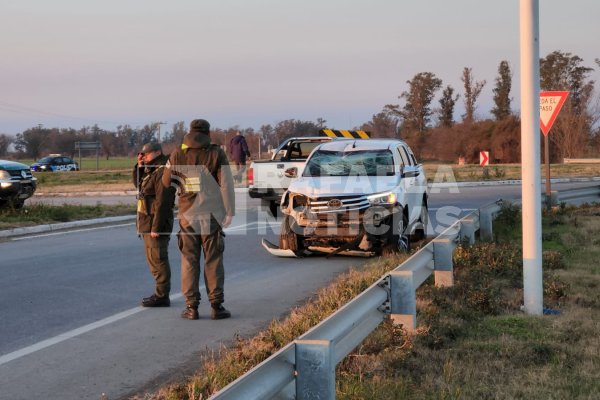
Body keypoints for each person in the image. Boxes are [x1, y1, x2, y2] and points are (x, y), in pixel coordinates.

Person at [162, 119, 235, 320]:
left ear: (190, 132)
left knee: (189, 260)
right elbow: (226, 184)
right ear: (207, 133)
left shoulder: (178, 153)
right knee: (213, 260)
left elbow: (166, 181)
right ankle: (217, 306)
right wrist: (230, 211)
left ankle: (192, 307)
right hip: (212, 214)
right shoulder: (216, 153)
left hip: (187, 215)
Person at [133, 142, 176, 307]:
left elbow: (163, 201)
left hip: (155, 223)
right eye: (143, 154)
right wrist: (139, 166)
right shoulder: (151, 168)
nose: (145, 156)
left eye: (147, 154)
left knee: (158, 259)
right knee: (153, 260)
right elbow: (140, 186)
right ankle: (160, 293)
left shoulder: (162, 170)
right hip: (147, 221)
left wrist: (156, 227)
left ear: (157, 152)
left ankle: (162, 295)